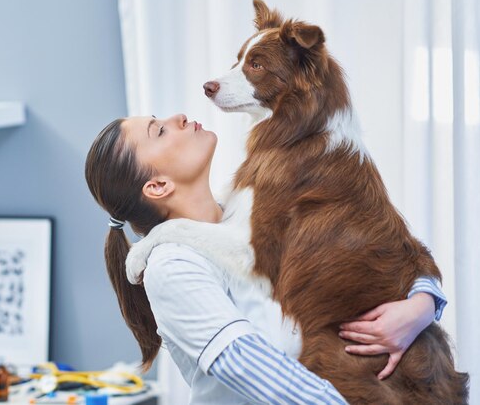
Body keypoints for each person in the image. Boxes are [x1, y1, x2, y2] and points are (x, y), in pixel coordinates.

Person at [85, 114, 446, 405]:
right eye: (159, 131)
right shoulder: (172, 266)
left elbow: (381, 249)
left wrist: (420, 307)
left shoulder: (259, 211)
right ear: (158, 186)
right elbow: (248, 364)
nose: (178, 117)